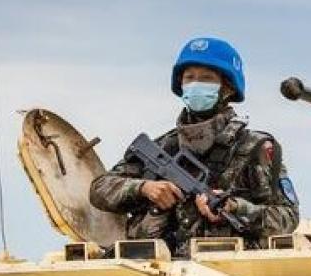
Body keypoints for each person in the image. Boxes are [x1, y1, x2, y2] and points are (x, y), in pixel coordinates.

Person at [91, 37, 299, 254]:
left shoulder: (255, 148)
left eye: (207, 78)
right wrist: (144, 188)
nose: (196, 84)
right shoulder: (163, 147)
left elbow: (288, 218)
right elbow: (99, 189)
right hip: (157, 267)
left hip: (229, 265)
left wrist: (235, 208)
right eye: (189, 78)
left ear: (228, 88)